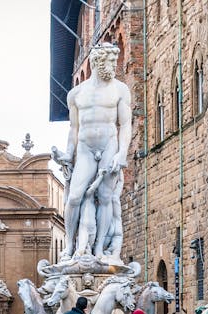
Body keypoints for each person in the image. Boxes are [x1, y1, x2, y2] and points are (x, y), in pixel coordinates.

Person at [52, 42, 132, 263]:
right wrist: (69, 153)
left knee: (105, 196)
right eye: (111, 62)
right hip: (86, 148)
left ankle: (98, 250)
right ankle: (70, 245)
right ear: (97, 62)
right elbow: (74, 128)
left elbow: (125, 125)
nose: (114, 66)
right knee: (75, 196)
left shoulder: (120, 89)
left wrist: (122, 153)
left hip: (109, 146)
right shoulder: (76, 93)